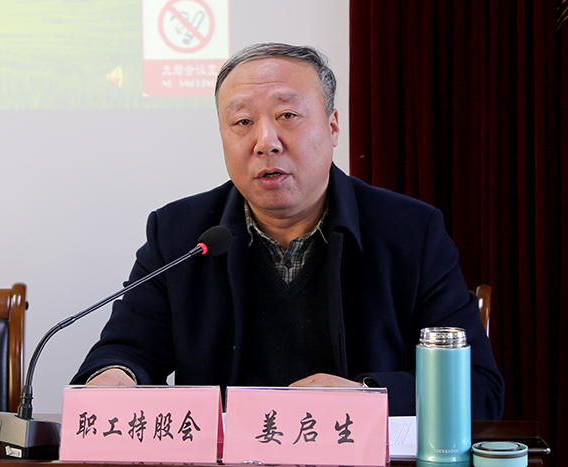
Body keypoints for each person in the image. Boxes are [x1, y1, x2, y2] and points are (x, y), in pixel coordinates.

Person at [71, 43, 505, 419]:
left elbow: (479, 388)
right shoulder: (180, 233)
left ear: (333, 127)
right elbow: (127, 350)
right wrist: (114, 377)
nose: (266, 141)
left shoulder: (411, 231)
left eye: (288, 115)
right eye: (242, 122)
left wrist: (367, 395)